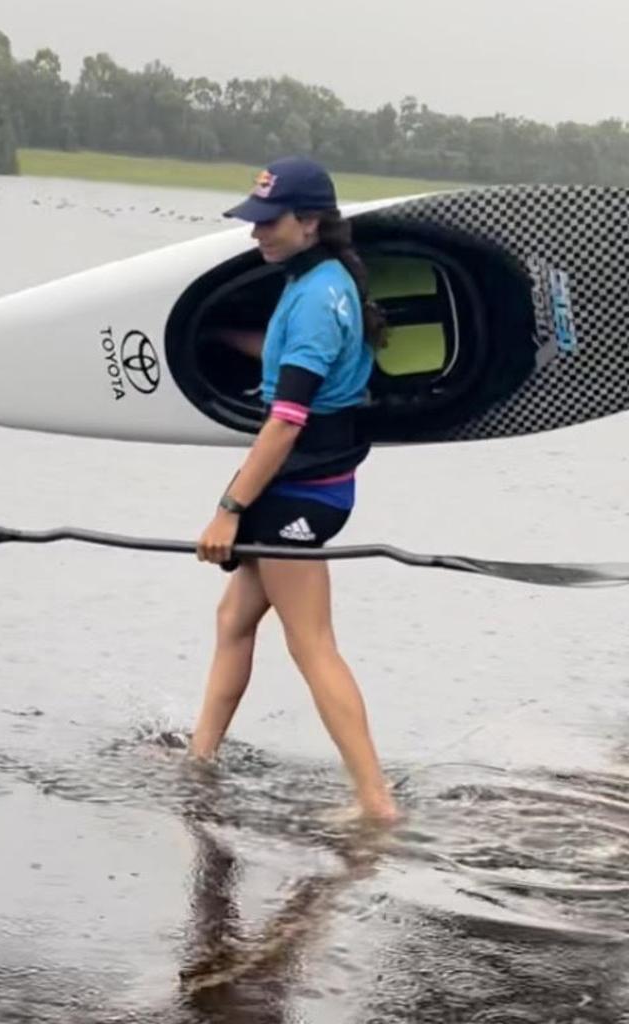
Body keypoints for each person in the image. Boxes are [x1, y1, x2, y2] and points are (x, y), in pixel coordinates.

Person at [191, 156, 398, 824]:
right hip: (305, 489)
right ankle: (199, 762)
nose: (257, 234)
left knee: (312, 644)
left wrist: (229, 509)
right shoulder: (322, 278)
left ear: (309, 221)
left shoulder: (313, 297)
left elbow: (286, 421)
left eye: (268, 222)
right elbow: (293, 358)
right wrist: (221, 336)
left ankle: (375, 803)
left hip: (302, 495)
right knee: (233, 621)